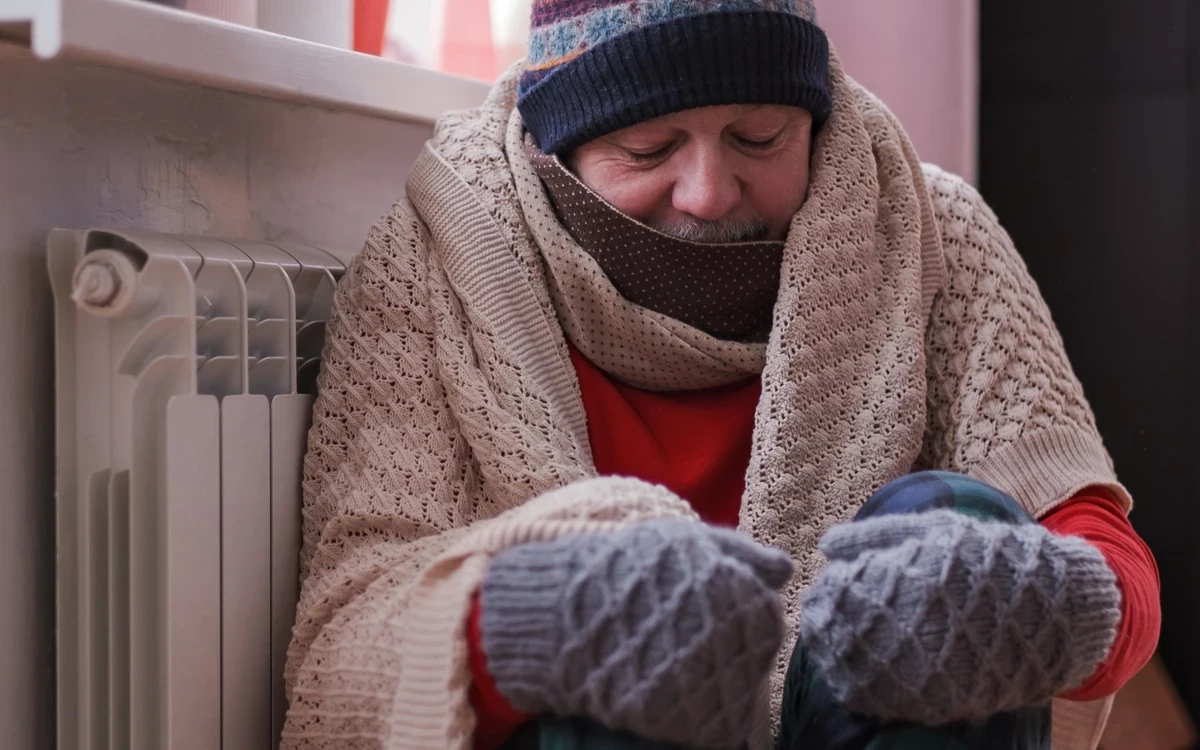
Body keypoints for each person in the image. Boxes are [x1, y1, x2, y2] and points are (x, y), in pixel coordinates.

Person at [280, 2, 1161, 749]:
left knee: (956, 528)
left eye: (758, 136)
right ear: (561, 150)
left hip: (872, 716)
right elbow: (341, 640)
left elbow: (1101, 547)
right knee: (601, 603)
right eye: (648, 145)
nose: (708, 192)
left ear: (816, 120)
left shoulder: (933, 231)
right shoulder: (433, 262)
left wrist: (1053, 606)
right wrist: (532, 625)